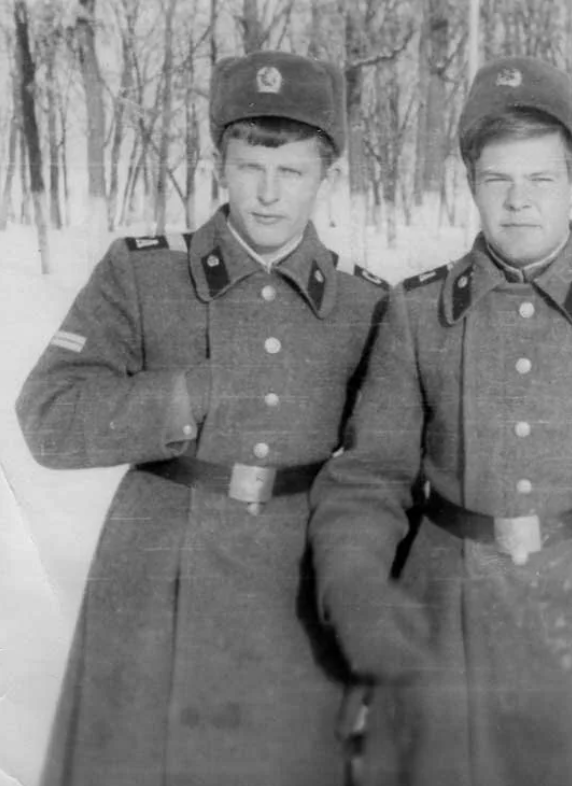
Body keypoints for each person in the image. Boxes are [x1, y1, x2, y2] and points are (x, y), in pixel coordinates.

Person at [308, 55, 572, 786]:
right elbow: (369, 482)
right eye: (497, 180)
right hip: (445, 637)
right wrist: (358, 595)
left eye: (541, 179)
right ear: (471, 183)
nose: (518, 202)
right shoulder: (416, 314)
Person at [17, 51, 388, 786]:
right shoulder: (143, 273)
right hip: (158, 582)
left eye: (294, 172)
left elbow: (387, 469)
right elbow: (49, 416)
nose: (270, 194)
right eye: (251, 166)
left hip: (298, 592)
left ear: (326, 176)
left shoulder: (363, 304)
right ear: (219, 162)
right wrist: (189, 394)